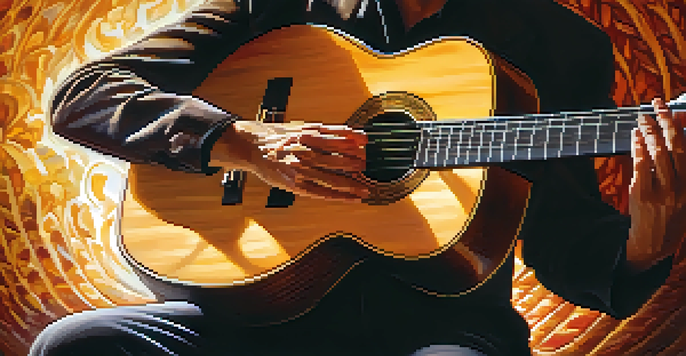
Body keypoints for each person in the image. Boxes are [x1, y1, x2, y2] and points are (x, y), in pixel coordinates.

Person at [30, 0, 686, 355]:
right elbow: (85, 96)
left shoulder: (554, 42)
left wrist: (646, 244)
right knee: (79, 344)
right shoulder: (270, 10)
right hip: (251, 326)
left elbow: (564, 237)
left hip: (437, 331)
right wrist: (242, 141)